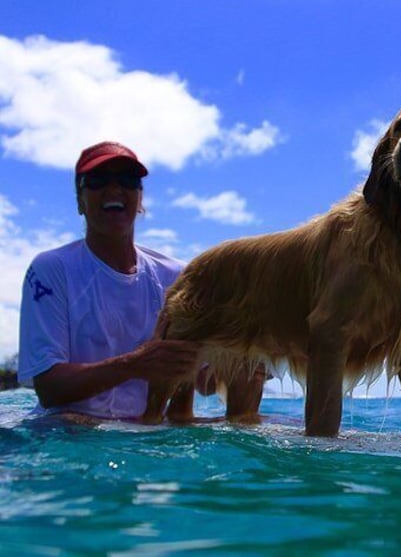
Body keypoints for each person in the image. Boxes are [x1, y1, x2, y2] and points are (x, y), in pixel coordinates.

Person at [17, 141, 264, 422]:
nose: (114, 190)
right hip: (72, 429)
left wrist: (248, 360)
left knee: (271, 417)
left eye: (127, 180)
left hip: (146, 432)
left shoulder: (178, 276)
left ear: (140, 198)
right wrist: (136, 364)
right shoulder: (51, 269)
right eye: (97, 181)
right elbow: (50, 389)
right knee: (68, 420)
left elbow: (205, 381)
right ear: (79, 200)